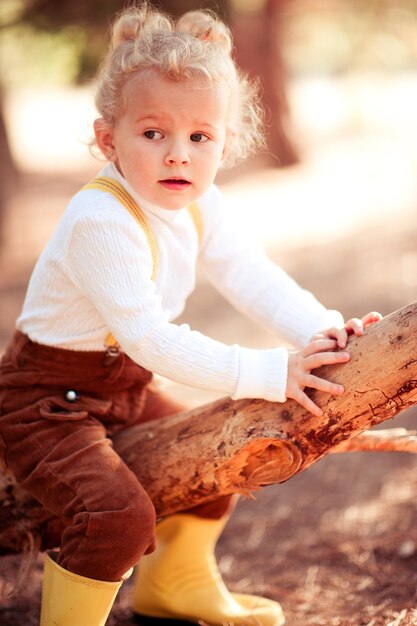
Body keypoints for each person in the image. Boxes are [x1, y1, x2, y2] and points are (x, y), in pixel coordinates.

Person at [0, 4, 382, 626]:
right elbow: (149, 339)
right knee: (117, 517)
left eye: (199, 137)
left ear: (224, 143)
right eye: (153, 134)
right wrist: (268, 370)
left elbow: (252, 277)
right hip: (46, 401)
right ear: (109, 139)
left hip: (122, 389)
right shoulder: (101, 219)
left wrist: (323, 330)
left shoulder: (203, 206)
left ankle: (174, 583)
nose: (178, 155)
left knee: (221, 456)